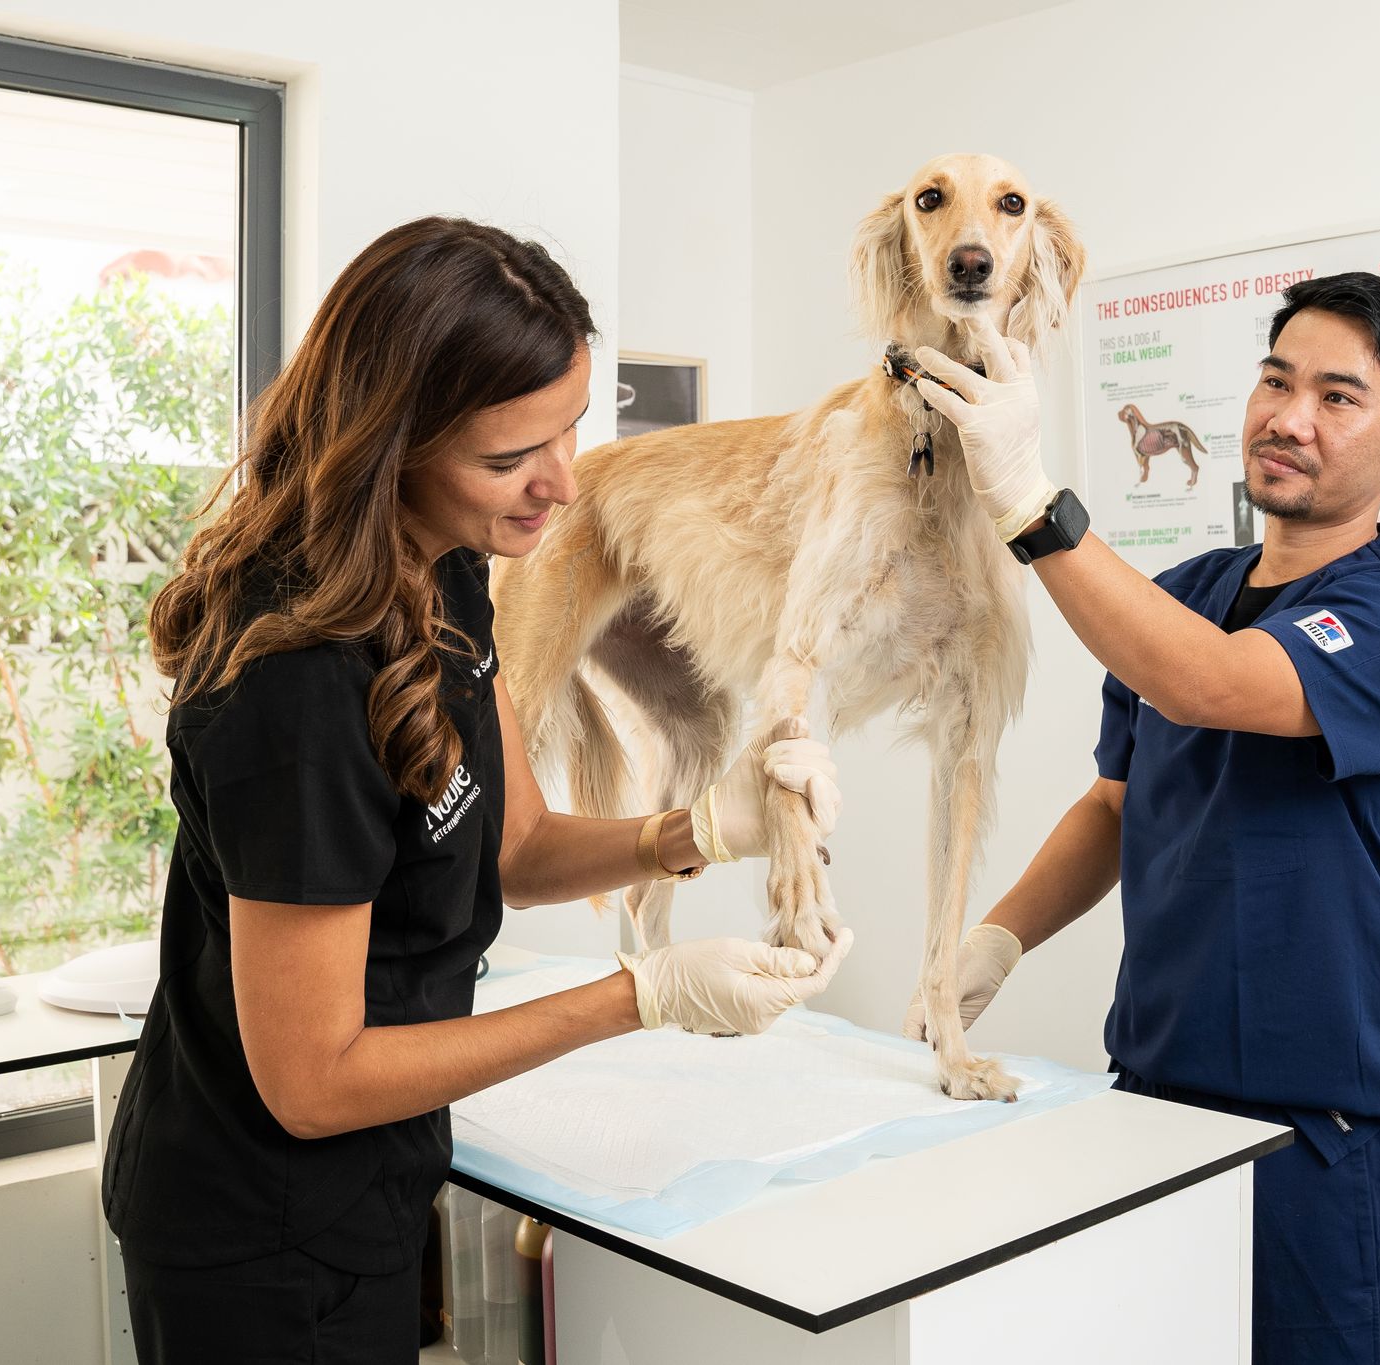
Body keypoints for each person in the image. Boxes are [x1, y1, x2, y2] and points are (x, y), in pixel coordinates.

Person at [105, 217, 851, 1364]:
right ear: (388, 446)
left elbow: (512, 845)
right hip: (257, 1230)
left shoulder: (444, 561)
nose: (560, 487)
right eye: (509, 460)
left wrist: (696, 829)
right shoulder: (295, 687)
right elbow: (312, 1080)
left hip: (375, 1178)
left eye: (569, 432)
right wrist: (637, 996)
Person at [908, 272, 1380, 1363]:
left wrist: (1031, 502)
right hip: (1154, 1106)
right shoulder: (1181, 591)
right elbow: (1114, 805)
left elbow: (1208, 686)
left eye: (1338, 397)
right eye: (1274, 379)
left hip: (1323, 1135)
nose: (1287, 417)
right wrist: (992, 943)